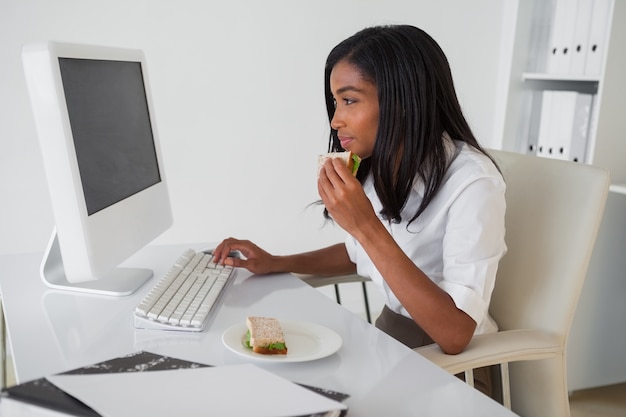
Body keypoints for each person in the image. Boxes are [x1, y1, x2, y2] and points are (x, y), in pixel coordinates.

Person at [213, 25, 506, 401]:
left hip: (455, 371)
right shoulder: (378, 165)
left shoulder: (473, 184)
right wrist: (276, 262)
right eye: (336, 103)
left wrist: (366, 225)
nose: (336, 120)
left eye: (349, 101)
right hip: (390, 343)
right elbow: (358, 255)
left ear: (402, 102)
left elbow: (455, 334)